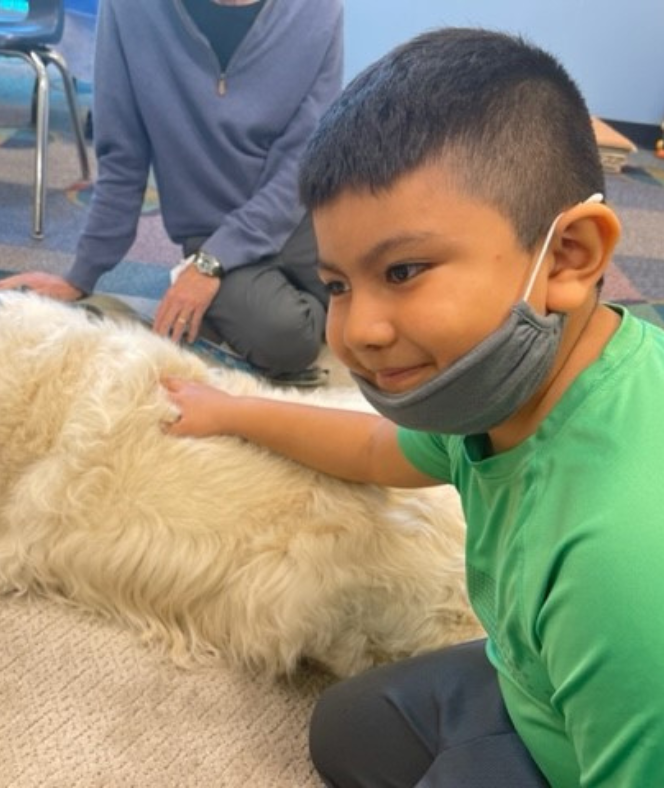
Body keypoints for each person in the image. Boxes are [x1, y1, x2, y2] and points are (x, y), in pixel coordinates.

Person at [162, 27, 664, 788]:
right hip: (537, 688)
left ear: (570, 257)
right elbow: (377, 451)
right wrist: (232, 411)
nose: (358, 332)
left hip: (601, 739)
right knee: (348, 729)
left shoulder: (618, 565)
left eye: (403, 270)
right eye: (337, 285)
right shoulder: (504, 387)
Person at [0, 0, 344, 380]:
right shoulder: (129, 10)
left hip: (302, 208)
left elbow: (301, 160)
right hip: (211, 225)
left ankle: (236, 304)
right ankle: (232, 296)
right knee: (287, 340)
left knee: (379, 297)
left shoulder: (319, 8)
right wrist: (80, 276)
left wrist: (215, 263)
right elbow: (122, 157)